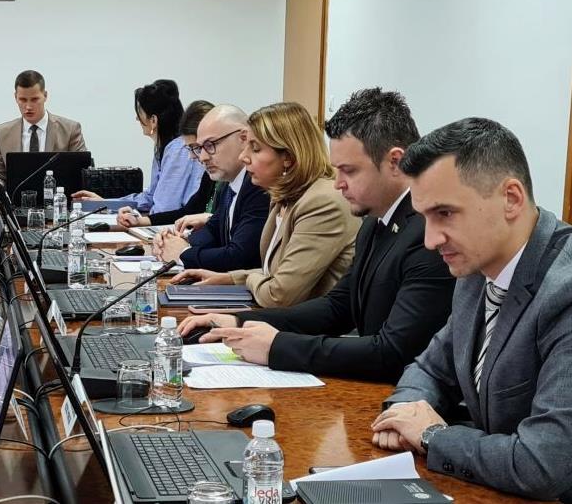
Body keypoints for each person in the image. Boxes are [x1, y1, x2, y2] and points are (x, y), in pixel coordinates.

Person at [370, 118, 572, 502]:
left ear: (511, 198)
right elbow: (429, 368)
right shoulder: (478, 267)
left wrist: (430, 435)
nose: (430, 239)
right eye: (424, 217)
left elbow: (541, 466)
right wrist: (405, 412)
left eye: (445, 213)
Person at [176, 89, 454, 381]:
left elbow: (393, 352)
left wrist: (277, 347)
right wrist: (238, 320)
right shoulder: (375, 220)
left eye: (349, 171)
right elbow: (338, 307)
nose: (338, 184)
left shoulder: (428, 235)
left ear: (394, 162)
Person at [171, 102, 356, 308]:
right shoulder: (284, 198)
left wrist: (247, 279)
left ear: (288, 157)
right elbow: (275, 273)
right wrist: (230, 279)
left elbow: (278, 295)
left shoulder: (321, 203)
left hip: (312, 324)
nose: (244, 156)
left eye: (255, 148)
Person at [151, 104, 269, 271]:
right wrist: (175, 242)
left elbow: (239, 258)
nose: (202, 157)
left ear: (243, 138)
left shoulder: (258, 185)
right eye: (199, 148)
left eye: (210, 145)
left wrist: (183, 253)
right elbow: (213, 230)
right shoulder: (229, 184)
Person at [73, 80, 204, 221]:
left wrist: (138, 220)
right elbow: (150, 197)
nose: (137, 118)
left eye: (140, 113)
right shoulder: (165, 148)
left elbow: (165, 208)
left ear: (153, 120)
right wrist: (104, 203)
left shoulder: (177, 150)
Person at [114, 99, 218, 228]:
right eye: (192, 149)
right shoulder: (211, 176)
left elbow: (167, 206)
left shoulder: (176, 150)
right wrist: (140, 221)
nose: (193, 156)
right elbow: (189, 211)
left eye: (197, 147)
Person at [0, 69, 87, 182]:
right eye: (23, 100)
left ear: (45, 96)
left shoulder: (70, 130)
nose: (28, 107)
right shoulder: (3, 133)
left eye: (34, 99)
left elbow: (83, 173)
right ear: (15, 97)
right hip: (16, 193)